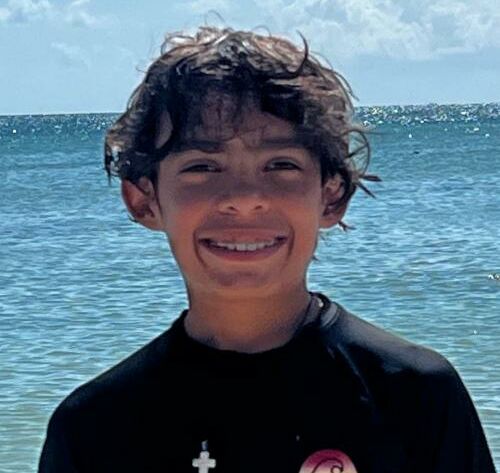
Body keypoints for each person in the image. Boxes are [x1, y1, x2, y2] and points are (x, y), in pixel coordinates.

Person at [39, 26, 496, 473]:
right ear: (144, 200)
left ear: (332, 195)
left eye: (280, 165)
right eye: (202, 167)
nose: (244, 197)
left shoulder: (415, 396)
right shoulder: (94, 429)